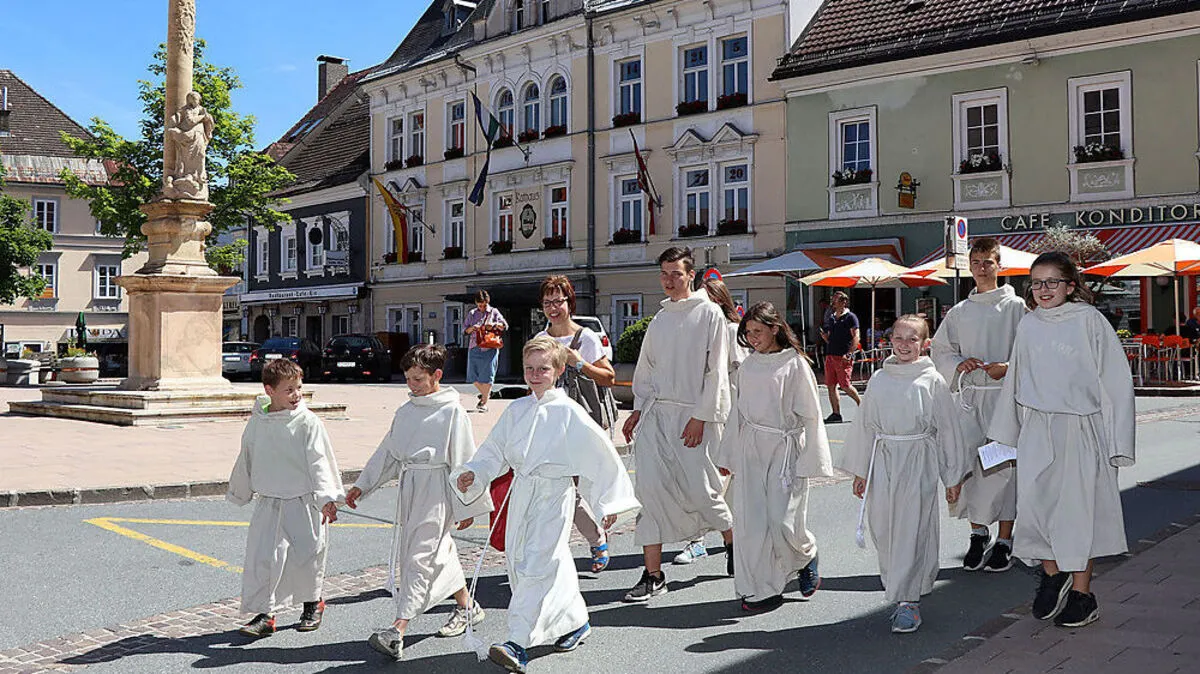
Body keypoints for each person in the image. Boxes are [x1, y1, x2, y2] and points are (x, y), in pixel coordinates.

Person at [453, 337, 639, 674]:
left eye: (543, 369)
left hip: (554, 496)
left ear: (558, 370)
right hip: (522, 494)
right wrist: (474, 473)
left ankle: (517, 641)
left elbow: (602, 456)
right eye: (529, 369)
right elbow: (494, 451)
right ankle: (576, 620)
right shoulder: (517, 410)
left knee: (538, 563)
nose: (535, 375)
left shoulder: (569, 412)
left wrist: (610, 501)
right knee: (528, 560)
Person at [989, 252, 1136, 628]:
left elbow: (1115, 381)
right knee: (1035, 507)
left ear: (1071, 285)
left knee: (1077, 512)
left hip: (1080, 427)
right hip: (1037, 427)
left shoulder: (1090, 321)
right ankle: (1054, 574)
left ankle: (1083, 596)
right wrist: (1005, 435)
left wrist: (1118, 440)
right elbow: (1016, 380)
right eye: (1037, 282)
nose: (1043, 289)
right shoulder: (1029, 325)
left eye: (1052, 281)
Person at [343, 344, 493, 661]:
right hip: (411, 488)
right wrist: (361, 486)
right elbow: (388, 454)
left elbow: (465, 461)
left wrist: (465, 505)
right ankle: (468, 607)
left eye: (418, 379)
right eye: (408, 379)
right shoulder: (406, 411)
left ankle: (398, 629)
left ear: (436, 375)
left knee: (420, 558)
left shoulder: (452, 411)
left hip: (438, 489)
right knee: (438, 552)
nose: (412, 385)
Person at [837, 315, 968, 634]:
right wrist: (861, 470)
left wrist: (952, 476)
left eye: (912, 339)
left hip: (918, 460)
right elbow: (865, 425)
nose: (904, 344)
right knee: (884, 528)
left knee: (912, 527)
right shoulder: (880, 379)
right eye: (899, 337)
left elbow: (948, 430)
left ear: (925, 345)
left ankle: (908, 602)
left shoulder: (932, 380)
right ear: (889, 340)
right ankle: (905, 585)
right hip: (883, 460)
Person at [621, 247, 735, 601]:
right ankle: (653, 574)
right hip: (657, 417)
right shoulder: (659, 319)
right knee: (650, 493)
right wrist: (639, 408)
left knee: (704, 491)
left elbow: (717, 371)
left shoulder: (710, 314)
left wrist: (702, 416)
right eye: (664, 274)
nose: (669, 280)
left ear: (691, 275)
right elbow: (647, 369)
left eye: (676, 273)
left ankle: (735, 547)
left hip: (694, 416)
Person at [718, 302, 832, 612]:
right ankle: (763, 589)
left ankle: (805, 554)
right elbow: (736, 414)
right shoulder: (749, 366)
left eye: (758, 331)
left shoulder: (794, 364)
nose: (752, 338)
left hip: (784, 451)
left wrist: (813, 456)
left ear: (774, 329)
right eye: (748, 332)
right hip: (751, 448)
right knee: (753, 523)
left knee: (783, 520)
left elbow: (811, 414)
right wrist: (728, 454)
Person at [227, 358, 344, 638]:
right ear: (270, 390)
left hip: (303, 499)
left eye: (299, 388)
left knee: (308, 555)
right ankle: (266, 614)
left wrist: (327, 497)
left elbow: (320, 461)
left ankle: (313, 603)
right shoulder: (259, 420)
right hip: (269, 500)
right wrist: (241, 490)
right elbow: (248, 454)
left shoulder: (307, 422)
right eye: (289, 389)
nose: (297, 395)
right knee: (264, 558)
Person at [930, 238, 1026, 573]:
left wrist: (1009, 369)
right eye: (976, 262)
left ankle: (1004, 539)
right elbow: (940, 350)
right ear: (968, 266)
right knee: (970, 465)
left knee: (1004, 470)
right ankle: (977, 533)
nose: (982, 268)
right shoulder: (959, 312)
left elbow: (1030, 353)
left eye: (988, 262)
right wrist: (959, 363)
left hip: (1003, 401)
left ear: (1001, 266)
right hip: (971, 402)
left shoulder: (1017, 308)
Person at [535, 275, 617, 573]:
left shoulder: (587, 337)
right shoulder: (540, 340)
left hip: (584, 422)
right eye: (547, 303)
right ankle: (594, 539)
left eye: (558, 301)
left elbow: (609, 378)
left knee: (585, 485)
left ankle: (600, 528)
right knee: (561, 487)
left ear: (570, 302)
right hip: (552, 425)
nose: (553, 308)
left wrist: (578, 362)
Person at [673, 277, 747, 566]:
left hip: (722, 411)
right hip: (697, 409)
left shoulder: (729, 330)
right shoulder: (692, 330)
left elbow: (738, 376)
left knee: (712, 477)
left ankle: (715, 538)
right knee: (701, 477)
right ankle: (709, 538)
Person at [819, 291, 862, 424]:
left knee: (845, 385)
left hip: (843, 355)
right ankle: (836, 413)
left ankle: (863, 406)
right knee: (831, 385)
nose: (833, 302)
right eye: (833, 299)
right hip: (831, 354)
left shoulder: (850, 317)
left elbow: (856, 336)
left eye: (836, 300)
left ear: (843, 302)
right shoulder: (832, 318)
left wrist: (849, 353)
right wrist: (826, 338)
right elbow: (831, 337)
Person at [464, 290, 509, 412]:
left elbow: (505, 326)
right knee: (472, 376)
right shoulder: (472, 313)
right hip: (474, 346)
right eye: (480, 305)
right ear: (476, 303)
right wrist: (473, 328)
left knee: (488, 374)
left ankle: (484, 402)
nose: (482, 308)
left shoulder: (494, 312)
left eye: (484, 305)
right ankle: (487, 395)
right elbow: (465, 330)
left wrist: (494, 325)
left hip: (490, 346)